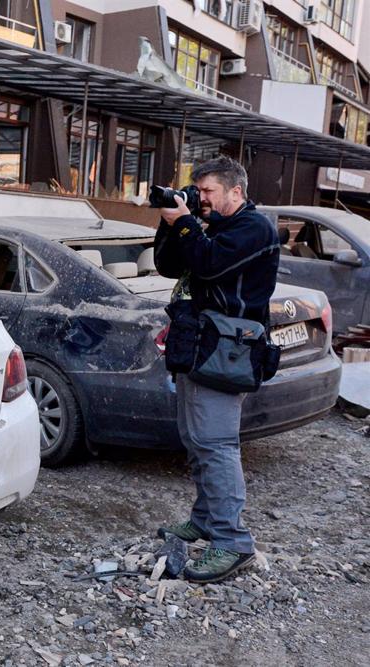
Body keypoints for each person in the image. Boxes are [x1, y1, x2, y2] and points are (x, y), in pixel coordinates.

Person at [153, 155, 280, 584]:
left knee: (217, 442)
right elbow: (170, 266)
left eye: (208, 192)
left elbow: (207, 264)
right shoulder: (209, 224)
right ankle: (205, 520)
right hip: (197, 344)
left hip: (228, 351)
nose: (201, 199)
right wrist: (171, 220)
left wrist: (187, 221)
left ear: (236, 191)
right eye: (198, 192)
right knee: (194, 437)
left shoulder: (254, 228)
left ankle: (232, 542)